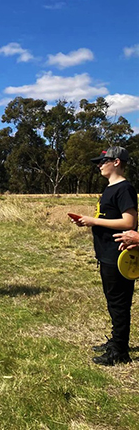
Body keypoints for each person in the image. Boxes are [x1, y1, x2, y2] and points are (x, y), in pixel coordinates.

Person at [74, 147, 137, 365]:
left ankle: (119, 352)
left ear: (117, 162)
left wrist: (94, 221)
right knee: (113, 303)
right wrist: (87, 220)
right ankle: (116, 342)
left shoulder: (124, 189)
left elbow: (129, 223)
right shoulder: (110, 188)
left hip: (118, 255)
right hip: (106, 254)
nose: (100, 165)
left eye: (104, 161)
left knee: (119, 304)